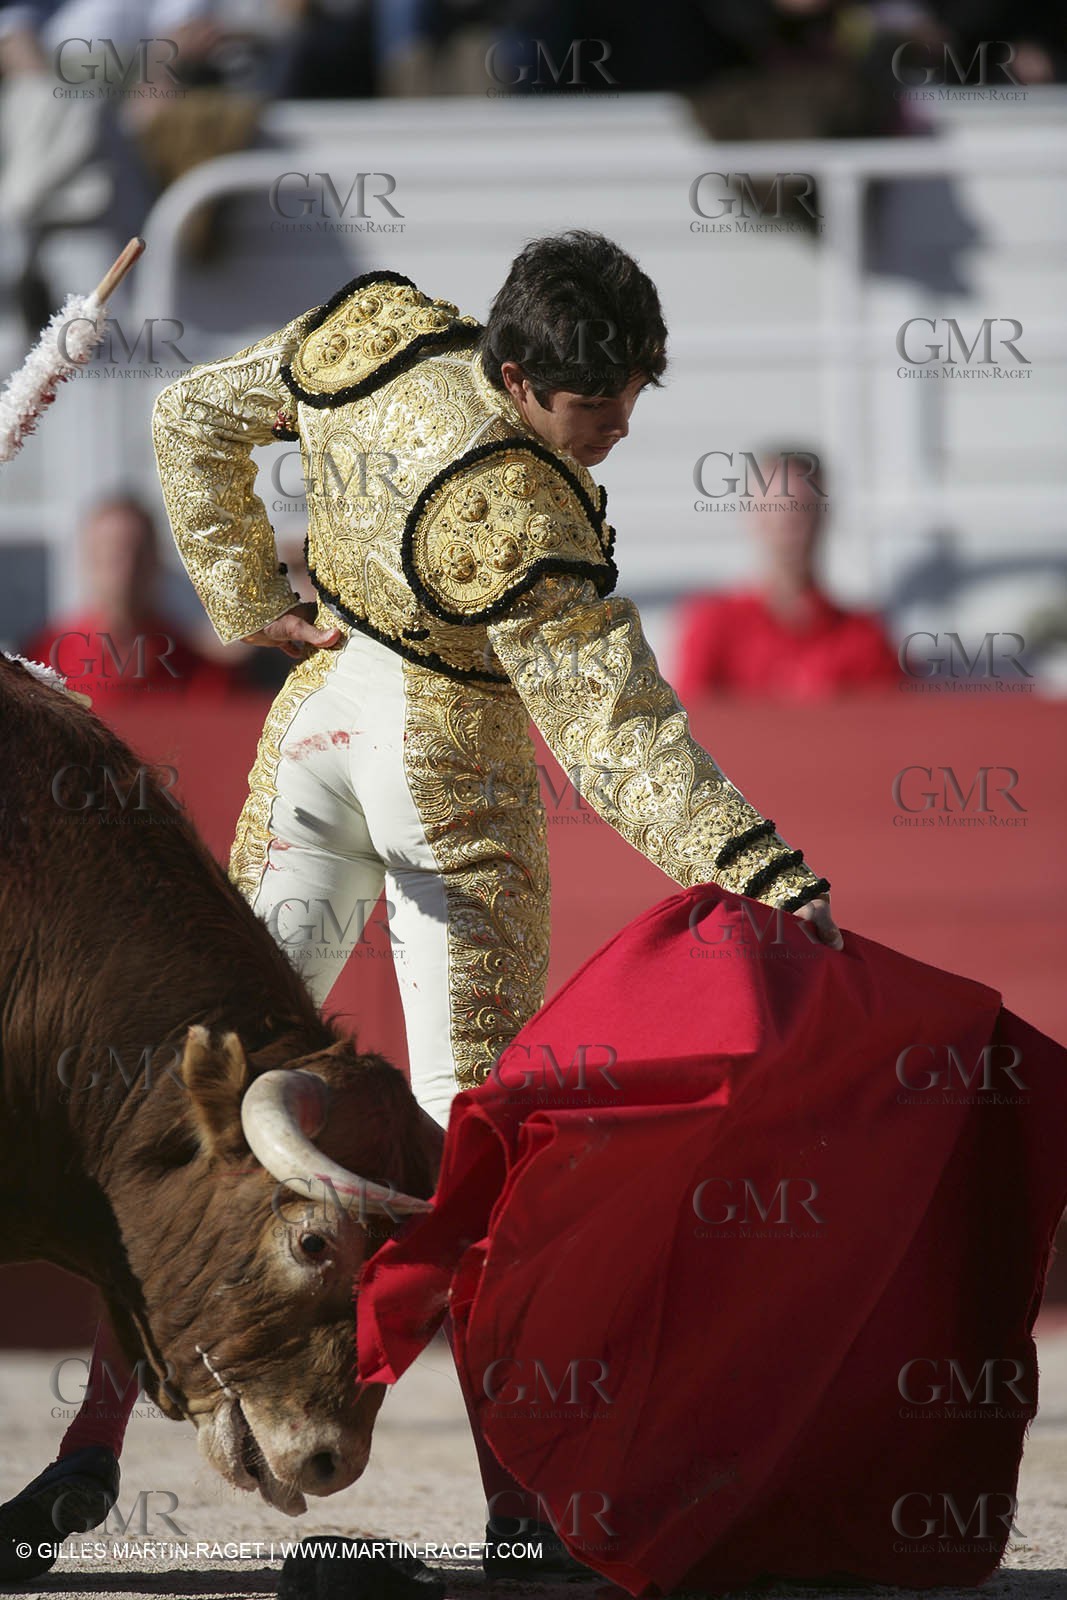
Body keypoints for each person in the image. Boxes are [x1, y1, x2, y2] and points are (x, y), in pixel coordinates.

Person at [1, 232, 840, 1579]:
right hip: (445, 779)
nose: (616, 427)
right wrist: (758, 871)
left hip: (315, 736)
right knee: (475, 1155)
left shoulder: (370, 336)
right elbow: (616, 740)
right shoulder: (524, 513)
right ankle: (517, 1514)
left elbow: (189, 414)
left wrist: (242, 599)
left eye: (632, 397)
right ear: (516, 374)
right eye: (593, 404)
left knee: (188, 1115)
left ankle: (91, 1455)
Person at [675, 450, 900, 701]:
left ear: (821, 518)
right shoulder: (714, 626)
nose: (786, 525)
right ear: (751, 516)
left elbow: (888, 731)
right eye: (773, 509)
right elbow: (689, 724)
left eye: (799, 511)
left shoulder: (863, 638)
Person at [21, 493, 233, 704]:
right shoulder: (42, 660)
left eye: (137, 553)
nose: (126, 569)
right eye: (111, 553)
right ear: (87, 558)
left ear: (155, 561)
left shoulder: (196, 670)